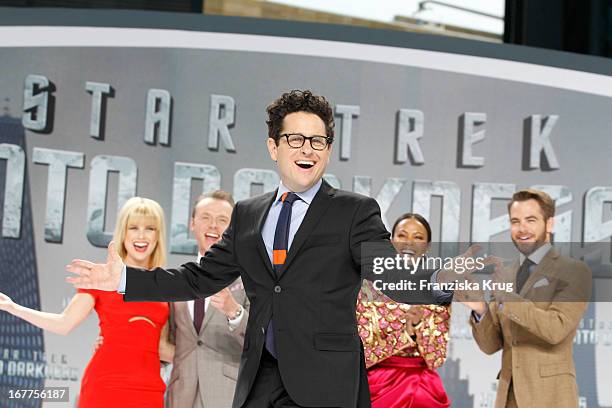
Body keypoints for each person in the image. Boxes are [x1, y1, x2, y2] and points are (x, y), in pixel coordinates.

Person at [66, 90, 459, 408]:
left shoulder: (353, 210)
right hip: (258, 378)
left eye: (318, 140)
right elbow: (198, 278)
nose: (308, 149)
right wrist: (124, 279)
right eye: (296, 139)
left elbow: (388, 271)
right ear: (274, 147)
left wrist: (448, 280)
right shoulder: (248, 214)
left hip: (322, 380)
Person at [0, 197, 174, 407]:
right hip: (105, 387)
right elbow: (64, 323)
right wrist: (13, 307)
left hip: (149, 390)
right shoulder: (101, 277)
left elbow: (162, 347)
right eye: (133, 227)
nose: (141, 235)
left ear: (158, 235)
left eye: (150, 228)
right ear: (123, 233)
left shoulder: (166, 285)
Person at [462, 189, 591, 408]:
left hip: (551, 399)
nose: (522, 229)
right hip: (508, 398)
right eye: (515, 221)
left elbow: (555, 329)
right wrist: (480, 309)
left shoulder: (574, 271)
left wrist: (506, 297)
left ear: (549, 224)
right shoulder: (507, 273)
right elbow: (491, 345)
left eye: (531, 220)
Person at [357, 213, 451, 408]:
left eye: (418, 237)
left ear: (428, 246)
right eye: (402, 235)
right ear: (391, 242)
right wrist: (405, 333)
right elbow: (363, 351)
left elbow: (437, 357)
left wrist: (418, 326)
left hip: (423, 386)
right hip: (378, 383)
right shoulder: (369, 286)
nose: (409, 243)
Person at [167, 190, 249, 408]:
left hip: (226, 395)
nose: (213, 226)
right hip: (181, 395)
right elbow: (169, 339)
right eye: (206, 217)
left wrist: (234, 311)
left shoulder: (251, 279)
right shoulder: (178, 279)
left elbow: (263, 339)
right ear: (192, 223)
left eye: (222, 220)